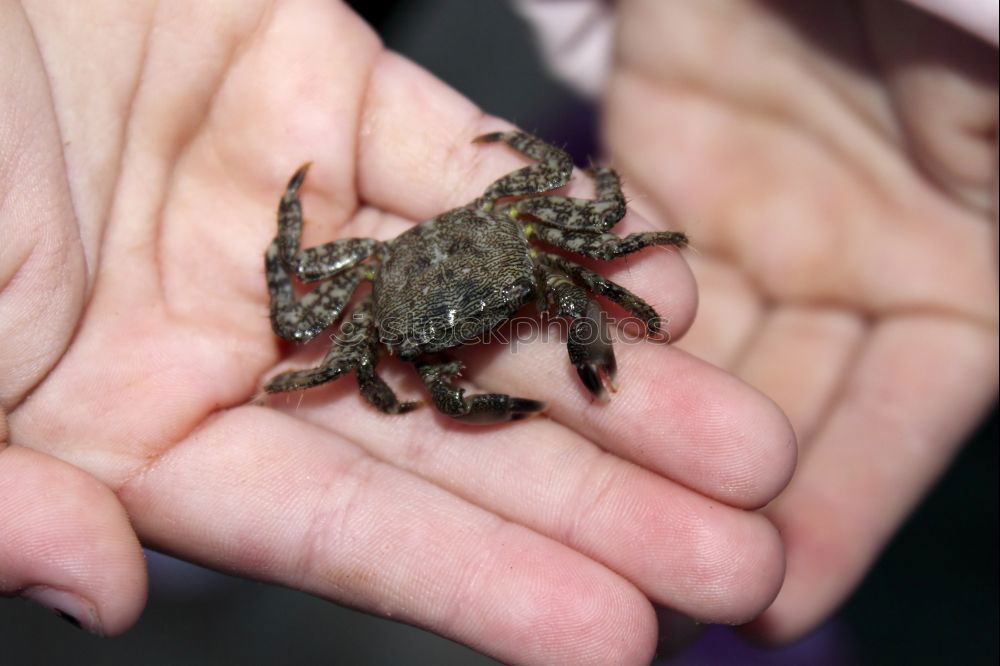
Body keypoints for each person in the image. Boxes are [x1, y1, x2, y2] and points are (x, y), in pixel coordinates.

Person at [0, 2, 993, 665]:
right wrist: (293, 248)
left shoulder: (523, 225)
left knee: (585, 283)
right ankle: (208, 489)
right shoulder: (382, 329)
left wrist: (624, 294)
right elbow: (308, 314)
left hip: (492, 239)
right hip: (404, 280)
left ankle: (205, 501)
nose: (469, 345)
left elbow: (594, 203)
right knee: (302, 364)